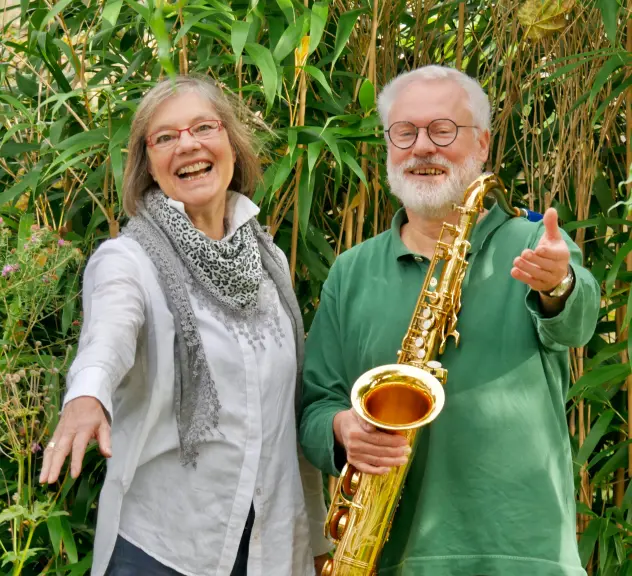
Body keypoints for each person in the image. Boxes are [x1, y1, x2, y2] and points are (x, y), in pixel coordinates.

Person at [299, 65, 600, 576]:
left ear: (482, 145)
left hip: (521, 559)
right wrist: (343, 428)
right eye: (405, 132)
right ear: (389, 145)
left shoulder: (533, 243)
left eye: (443, 131)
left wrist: (558, 282)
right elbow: (314, 406)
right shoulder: (351, 271)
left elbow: (578, 321)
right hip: (389, 558)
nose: (422, 148)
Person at [39, 75, 331, 576]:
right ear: (148, 164)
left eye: (203, 127)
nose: (188, 145)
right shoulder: (127, 260)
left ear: (232, 146)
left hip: (272, 546)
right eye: (166, 137)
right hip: (167, 546)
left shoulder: (270, 262)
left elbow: (288, 415)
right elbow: (107, 334)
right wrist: (88, 394)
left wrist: (316, 532)